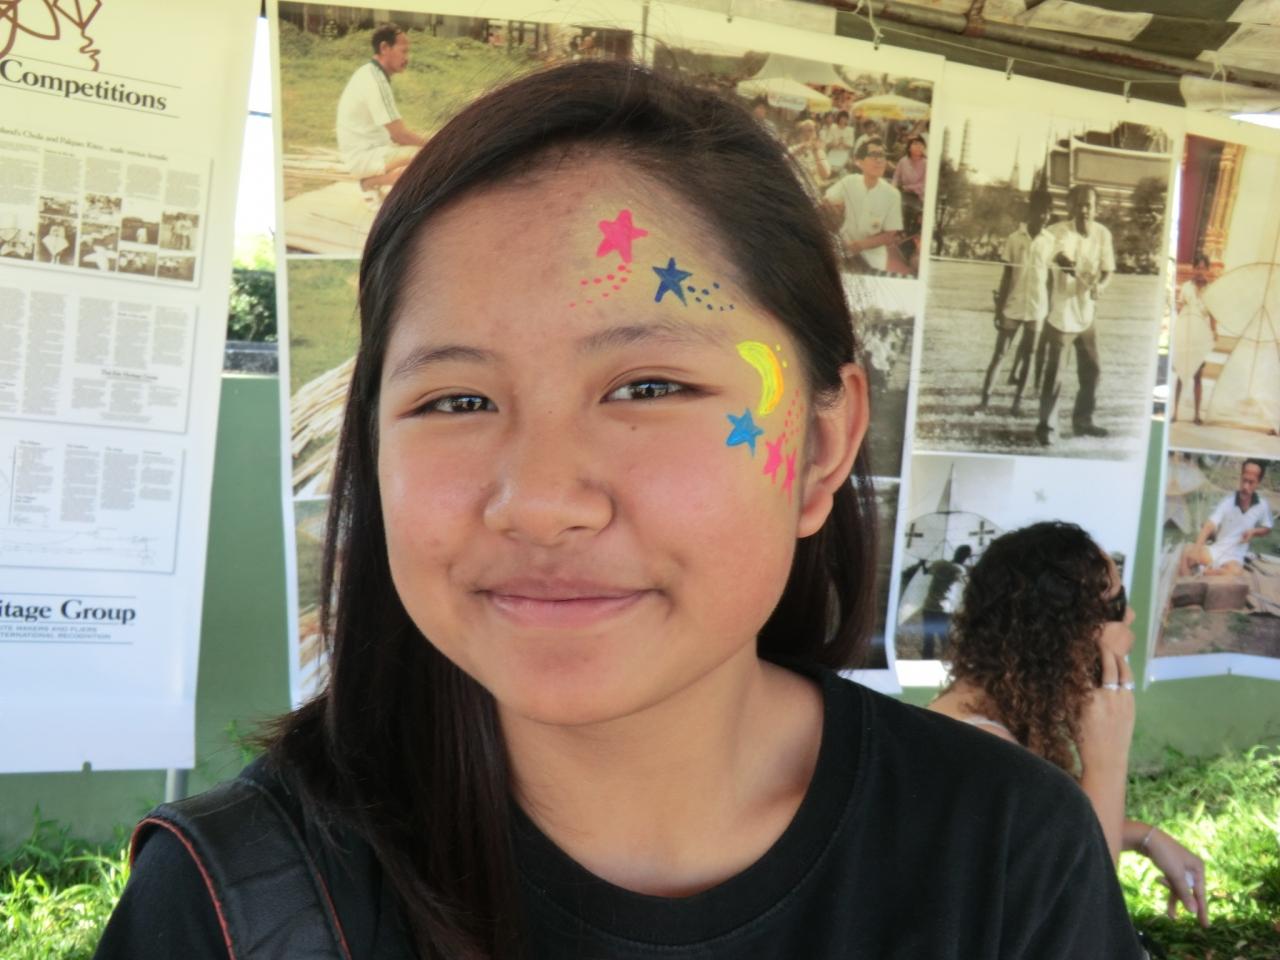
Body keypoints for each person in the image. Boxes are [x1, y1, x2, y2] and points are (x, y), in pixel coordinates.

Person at [95, 62, 1142, 959]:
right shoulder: (234, 908)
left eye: (647, 387)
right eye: (455, 400)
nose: (540, 504)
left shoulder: (1006, 856)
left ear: (821, 447)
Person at [929, 522, 1210, 930]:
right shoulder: (992, 757)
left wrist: (1142, 835)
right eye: (1117, 604)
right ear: (1068, 633)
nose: (1131, 616)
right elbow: (1085, 907)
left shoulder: (975, 719)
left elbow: (1034, 843)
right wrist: (1107, 761)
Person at [1035, 184, 1115, 446]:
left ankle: (1083, 421)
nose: (1083, 210)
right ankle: (1047, 427)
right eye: (1078, 204)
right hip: (1061, 314)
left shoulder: (1103, 234)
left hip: (1086, 313)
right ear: (1070, 206)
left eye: (1088, 205)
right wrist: (1066, 263)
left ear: (1095, 208)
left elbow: (1108, 270)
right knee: (1055, 373)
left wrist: (1100, 286)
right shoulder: (1059, 230)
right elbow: (1060, 254)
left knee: (1092, 371)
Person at [980, 187, 1054, 415]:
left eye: (1048, 212)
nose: (1044, 216)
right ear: (1030, 212)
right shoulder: (1014, 239)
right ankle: (984, 402)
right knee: (1000, 353)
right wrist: (999, 309)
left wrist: (1048, 308)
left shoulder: (1051, 241)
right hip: (1013, 304)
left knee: (1030, 355)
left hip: (1037, 307)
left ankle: (1017, 404)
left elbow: (1050, 279)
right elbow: (1006, 276)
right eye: (1040, 211)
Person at [335, 22, 426, 191]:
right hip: (364, 157)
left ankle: (375, 182)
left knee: (420, 156)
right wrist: (436, 146)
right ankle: (370, 182)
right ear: (384, 48)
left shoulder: (370, 73)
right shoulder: (375, 80)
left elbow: (395, 135)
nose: (407, 58)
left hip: (368, 151)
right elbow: (400, 135)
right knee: (425, 156)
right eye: (403, 51)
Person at [1179, 459, 1273, 578]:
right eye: (1244, 480)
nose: (1245, 486)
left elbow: (1267, 528)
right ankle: (1195, 578)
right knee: (1187, 552)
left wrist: (1254, 532)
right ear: (1241, 477)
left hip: (1234, 558)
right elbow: (1209, 525)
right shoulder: (1228, 501)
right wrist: (1196, 550)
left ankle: (1204, 572)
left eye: (1251, 482)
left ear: (1258, 482)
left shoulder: (1262, 505)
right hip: (1216, 551)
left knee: (1236, 573)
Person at [823, 137, 903, 275]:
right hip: (843, 248)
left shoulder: (892, 194)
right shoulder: (849, 181)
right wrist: (835, 210)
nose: (879, 160)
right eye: (874, 155)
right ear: (859, 162)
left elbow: (889, 235)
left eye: (882, 156)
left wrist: (858, 246)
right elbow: (826, 201)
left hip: (873, 255)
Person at [1171, 253, 1218, 426]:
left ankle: (1197, 414)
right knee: (1181, 373)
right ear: (1193, 269)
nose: (1200, 271)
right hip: (1187, 333)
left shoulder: (1211, 290)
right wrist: (1182, 310)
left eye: (1203, 268)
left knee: (1198, 375)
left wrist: (1214, 330)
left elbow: (1213, 312)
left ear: (1207, 269)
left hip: (1201, 335)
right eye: (1197, 268)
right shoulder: (1186, 287)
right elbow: (1179, 309)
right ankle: (1175, 412)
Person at [919, 544, 971, 659]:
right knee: (944, 639)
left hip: (929, 607)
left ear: (955, 552)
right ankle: (947, 661)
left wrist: (922, 564)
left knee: (928, 638)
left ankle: (926, 661)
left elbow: (925, 572)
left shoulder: (939, 564)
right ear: (966, 557)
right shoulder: (960, 570)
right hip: (944, 609)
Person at [788, 118, 831, 193]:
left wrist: (816, 152)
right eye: (806, 131)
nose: (809, 134)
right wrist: (799, 149)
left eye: (812, 130)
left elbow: (825, 175)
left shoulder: (819, 151)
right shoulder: (792, 149)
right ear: (800, 133)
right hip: (796, 188)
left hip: (814, 189)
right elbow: (784, 160)